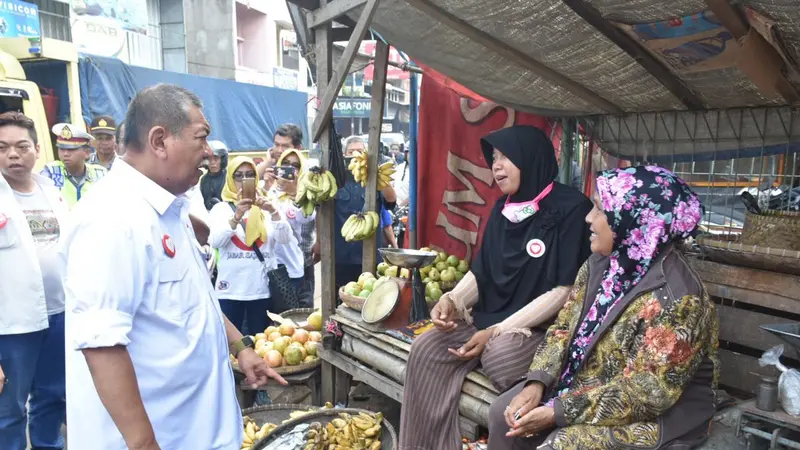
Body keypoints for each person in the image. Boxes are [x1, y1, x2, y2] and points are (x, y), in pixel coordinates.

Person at [59, 84, 286, 450]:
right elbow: (102, 345)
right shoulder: (111, 218)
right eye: (201, 138)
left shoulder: (170, 208)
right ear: (160, 141)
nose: (209, 152)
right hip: (159, 439)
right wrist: (145, 444)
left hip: (194, 432)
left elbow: (196, 297)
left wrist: (240, 347)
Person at [488, 166, 719, 450]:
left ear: (634, 220)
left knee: (560, 444)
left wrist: (559, 411)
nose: (588, 217)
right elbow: (563, 328)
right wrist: (537, 382)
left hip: (662, 415)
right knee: (503, 414)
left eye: (599, 209)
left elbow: (649, 394)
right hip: (588, 386)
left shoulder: (680, 298)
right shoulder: (601, 263)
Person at [399, 125, 592, 450]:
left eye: (506, 157)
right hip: (487, 320)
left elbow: (564, 291)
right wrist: (452, 298)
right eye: (494, 158)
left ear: (530, 158)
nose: (497, 166)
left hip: (540, 331)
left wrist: (499, 331)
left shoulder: (572, 208)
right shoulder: (504, 208)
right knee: (427, 348)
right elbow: (483, 271)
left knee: (499, 358)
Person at [0, 112, 69, 450]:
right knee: (9, 409)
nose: (13, 154)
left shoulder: (50, 190)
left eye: (21, 146)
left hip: (59, 316)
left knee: (52, 398)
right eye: (2, 147)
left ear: (37, 150)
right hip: (13, 326)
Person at [210, 156, 292, 335]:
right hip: (230, 290)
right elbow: (215, 241)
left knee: (262, 343)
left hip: (261, 289)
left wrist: (273, 212)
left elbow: (285, 239)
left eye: (249, 175)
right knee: (232, 346)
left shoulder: (268, 205)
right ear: (231, 179)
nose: (243, 181)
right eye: (238, 176)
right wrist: (237, 215)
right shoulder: (222, 209)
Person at [333, 136, 398, 289]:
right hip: (342, 254)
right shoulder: (336, 180)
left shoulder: (375, 179)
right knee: (342, 296)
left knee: (369, 296)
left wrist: (379, 176)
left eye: (359, 152)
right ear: (344, 155)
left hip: (370, 253)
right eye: (351, 152)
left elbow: (391, 202)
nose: (355, 156)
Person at [269, 148, 317, 307]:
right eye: (286, 164)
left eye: (295, 165)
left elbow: (305, 218)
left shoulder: (306, 194)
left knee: (296, 316)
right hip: (270, 265)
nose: (290, 169)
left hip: (296, 265)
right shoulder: (270, 190)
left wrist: (295, 191)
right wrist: (267, 185)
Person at [40, 123, 107, 209]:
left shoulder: (101, 174)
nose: (65, 154)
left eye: (71, 149)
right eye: (61, 148)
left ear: (86, 153)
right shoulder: (50, 172)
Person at [200, 140, 229, 210]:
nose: (212, 163)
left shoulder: (228, 178)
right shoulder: (204, 180)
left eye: (216, 159)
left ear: (222, 160)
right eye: (209, 159)